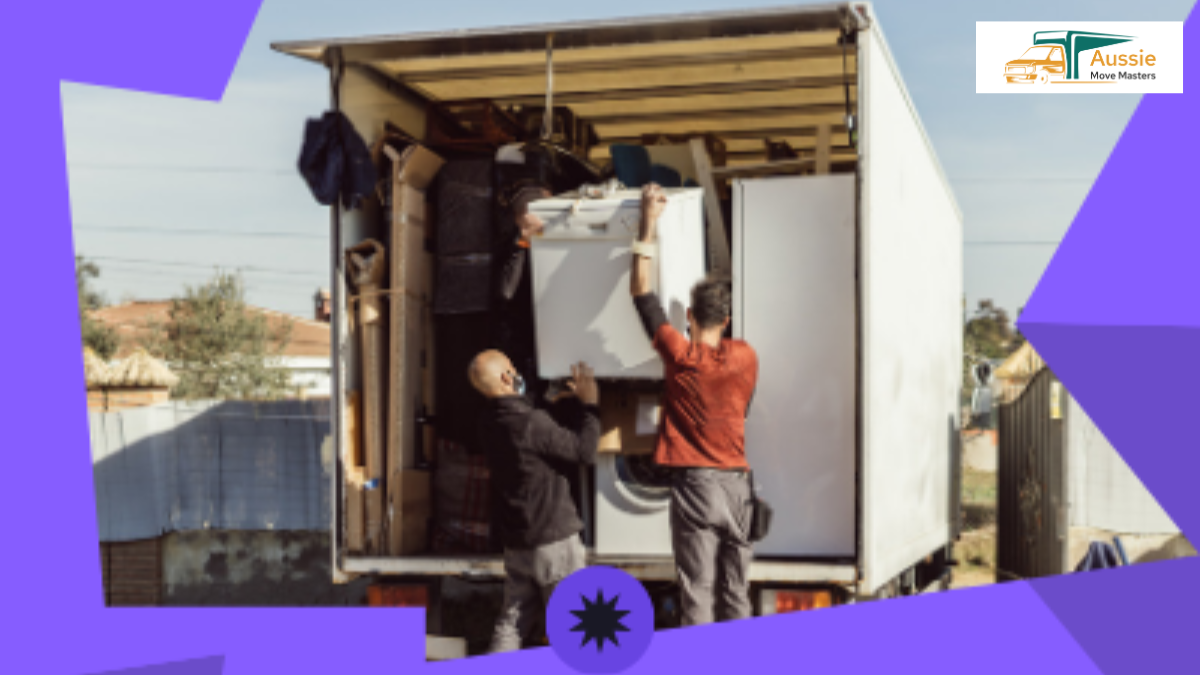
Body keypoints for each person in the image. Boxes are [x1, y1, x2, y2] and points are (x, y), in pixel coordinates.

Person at [629, 183, 760, 626]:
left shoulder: (680, 356)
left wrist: (649, 219)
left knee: (697, 590)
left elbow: (642, 295)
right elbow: (744, 407)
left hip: (697, 487)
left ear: (688, 315)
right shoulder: (746, 356)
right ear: (726, 321)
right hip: (739, 485)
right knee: (735, 589)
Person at [469, 349, 601, 652]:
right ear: (506, 377)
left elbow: (520, 422)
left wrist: (545, 402)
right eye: (513, 367)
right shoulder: (533, 423)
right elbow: (584, 451)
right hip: (554, 540)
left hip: (518, 541)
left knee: (512, 622)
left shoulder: (488, 423)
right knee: (573, 624)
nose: (517, 371)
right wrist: (590, 403)